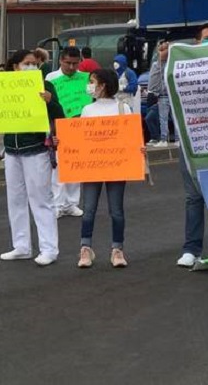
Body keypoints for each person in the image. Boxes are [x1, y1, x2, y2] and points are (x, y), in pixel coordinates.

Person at [0, 49, 64, 266]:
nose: (32, 66)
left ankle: (49, 248)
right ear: (15, 66)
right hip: (11, 151)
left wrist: (50, 101)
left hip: (36, 148)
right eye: (27, 63)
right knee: (15, 199)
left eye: (34, 63)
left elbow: (60, 115)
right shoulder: (3, 85)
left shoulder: (45, 86)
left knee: (41, 199)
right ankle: (21, 245)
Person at [76, 69, 136, 269]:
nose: (89, 86)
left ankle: (117, 249)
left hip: (116, 165)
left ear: (103, 85)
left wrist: (138, 147)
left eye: (92, 81)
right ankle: (86, 248)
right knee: (88, 210)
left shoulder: (123, 108)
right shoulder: (87, 110)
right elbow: (80, 139)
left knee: (116, 210)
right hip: (92, 166)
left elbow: (130, 137)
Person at [177, 23, 208, 268]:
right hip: (190, 142)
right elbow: (159, 89)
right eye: (207, 38)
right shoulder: (182, 67)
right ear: (197, 42)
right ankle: (191, 249)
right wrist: (161, 62)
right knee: (194, 197)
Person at [45, 46, 85, 218]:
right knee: (59, 166)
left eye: (75, 64)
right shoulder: (51, 78)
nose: (71, 67)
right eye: (68, 63)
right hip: (58, 125)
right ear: (61, 60)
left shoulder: (85, 78)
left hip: (78, 125)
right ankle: (58, 204)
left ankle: (72, 203)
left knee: (76, 165)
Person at [147, 41, 175, 147]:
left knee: (163, 119)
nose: (160, 52)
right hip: (165, 95)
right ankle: (171, 139)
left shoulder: (160, 65)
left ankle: (164, 140)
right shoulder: (163, 64)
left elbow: (154, 82)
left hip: (165, 95)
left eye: (162, 50)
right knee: (169, 119)